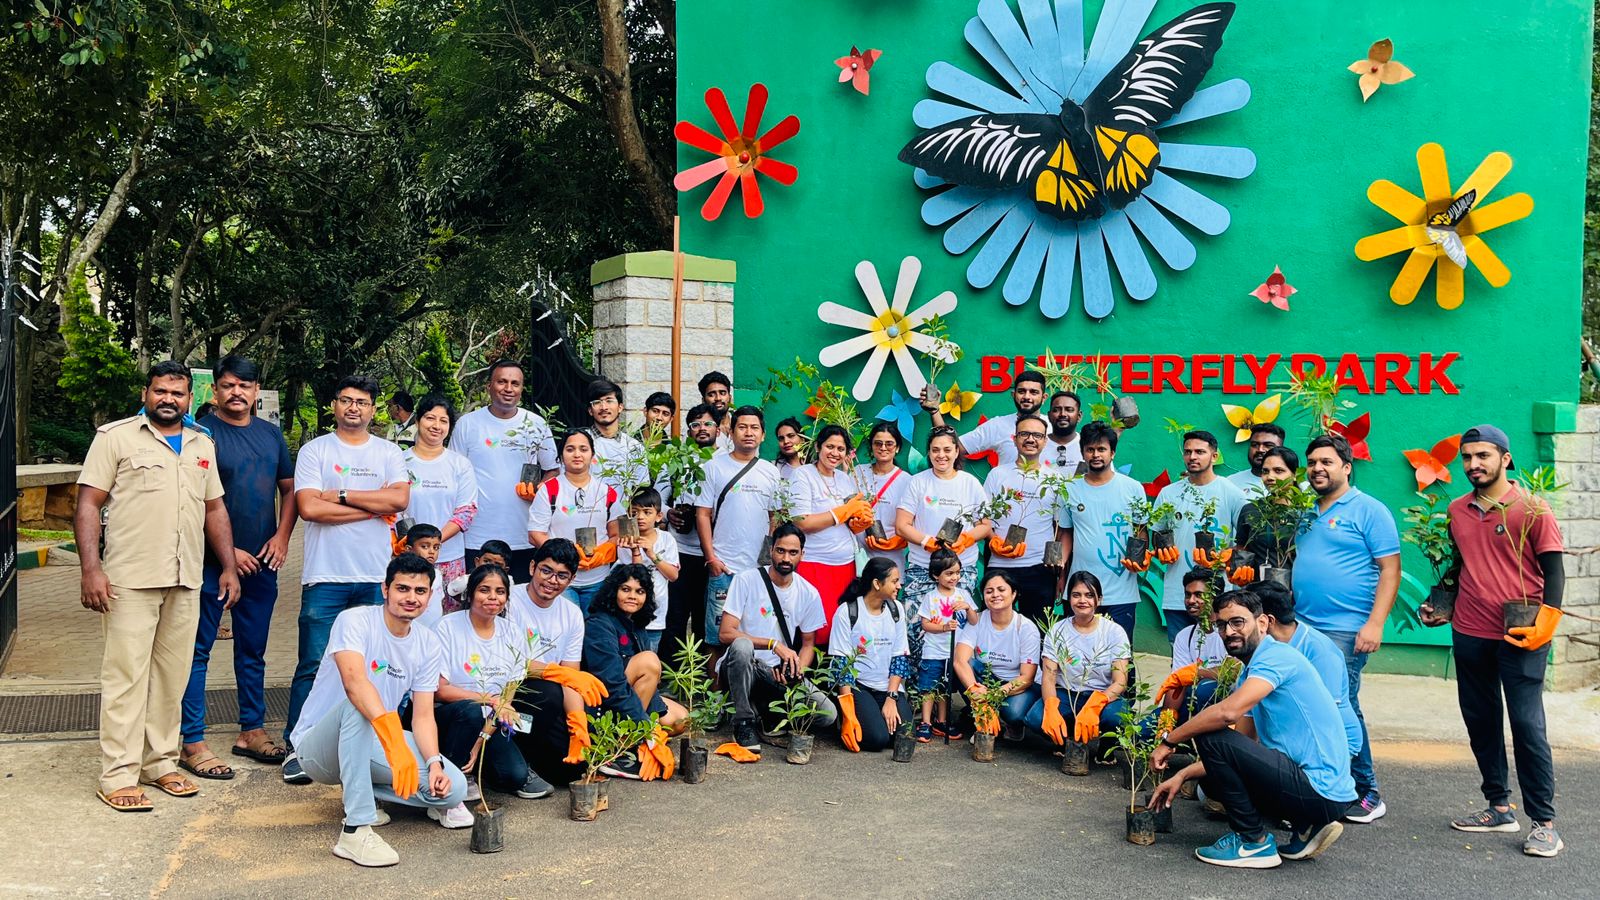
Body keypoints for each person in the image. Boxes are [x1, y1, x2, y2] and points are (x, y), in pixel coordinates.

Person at [76, 361, 240, 811]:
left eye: (177, 393)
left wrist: (228, 566)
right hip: (129, 581)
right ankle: (118, 775)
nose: (169, 399)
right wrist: (91, 569)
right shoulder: (116, 438)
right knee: (126, 678)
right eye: (160, 391)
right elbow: (88, 504)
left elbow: (214, 510)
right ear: (146, 394)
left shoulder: (202, 444)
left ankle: (160, 763)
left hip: (185, 579)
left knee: (172, 678)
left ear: (190, 398)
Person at [1426, 424, 1565, 857]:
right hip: (1470, 629)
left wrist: (1549, 618)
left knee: (1526, 724)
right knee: (1480, 719)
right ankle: (1498, 807)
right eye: (1467, 457)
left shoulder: (1532, 508)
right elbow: (1460, 565)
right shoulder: (1457, 510)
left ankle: (1544, 822)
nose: (1473, 464)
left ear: (1505, 458)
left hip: (1521, 631)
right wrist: (1442, 603)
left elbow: (1554, 570)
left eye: (1482, 456)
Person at [1149, 590, 1355, 869]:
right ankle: (1306, 826)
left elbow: (1226, 713)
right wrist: (1182, 774)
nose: (1228, 632)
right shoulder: (1251, 672)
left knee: (1210, 734)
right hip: (1318, 791)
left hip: (1320, 789)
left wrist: (1169, 740)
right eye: (1222, 625)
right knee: (1212, 775)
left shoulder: (1277, 657)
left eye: (1237, 622)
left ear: (1263, 623)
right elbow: (1241, 742)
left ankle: (1252, 842)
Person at [291, 555, 466, 867]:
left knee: (453, 790)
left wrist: (434, 764)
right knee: (359, 706)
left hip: (373, 740)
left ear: (429, 596)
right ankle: (355, 830)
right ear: (385, 589)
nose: (411, 598)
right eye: (402, 588)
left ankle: (365, 788)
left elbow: (423, 715)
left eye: (420, 591)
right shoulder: (354, 620)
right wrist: (395, 742)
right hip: (320, 748)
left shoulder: (427, 642)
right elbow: (354, 683)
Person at [284, 375, 410, 784]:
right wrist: (373, 507)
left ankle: (365, 743)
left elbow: (399, 500)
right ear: (334, 406)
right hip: (326, 575)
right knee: (314, 663)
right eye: (346, 400)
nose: (354, 407)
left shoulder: (388, 452)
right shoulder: (315, 450)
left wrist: (338, 495)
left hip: (375, 577)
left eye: (362, 402)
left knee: (371, 666)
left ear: (373, 409)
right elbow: (309, 509)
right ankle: (297, 747)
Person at [180, 355, 296, 780]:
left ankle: (251, 730)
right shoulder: (200, 435)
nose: (236, 393)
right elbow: (193, 500)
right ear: (215, 390)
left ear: (256, 391)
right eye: (228, 385)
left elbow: (289, 489)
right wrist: (229, 552)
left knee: (253, 650)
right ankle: (192, 740)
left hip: (262, 563)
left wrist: (281, 537)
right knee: (197, 652)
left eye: (244, 386)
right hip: (210, 563)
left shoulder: (270, 434)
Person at [1292, 433, 1400, 823]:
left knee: (1342, 707)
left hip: (1346, 630)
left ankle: (1367, 791)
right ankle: (1325, 783)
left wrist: (1375, 624)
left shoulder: (1369, 510)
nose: (1317, 469)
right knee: (1310, 704)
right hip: (1304, 625)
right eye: (1312, 463)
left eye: (1327, 462)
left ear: (1347, 468)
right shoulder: (1305, 511)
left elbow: (1390, 570)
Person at [427, 564, 553, 825]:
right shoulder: (447, 627)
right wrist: (489, 699)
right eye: (484, 590)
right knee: (471, 711)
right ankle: (445, 796)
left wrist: (480, 741)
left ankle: (475, 770)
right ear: (470, 593)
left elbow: (506, 699)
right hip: (452, 717)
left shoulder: (512, 632)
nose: (492, 597)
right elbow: (440, 691)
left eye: (500, 591)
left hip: (489, 722)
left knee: (514, 776)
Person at [718, 524, 838, 754]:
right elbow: (726, 633)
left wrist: (796, 670)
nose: (786, 558)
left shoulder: (808, 592)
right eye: (781, 551)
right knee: (742, 646)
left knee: (827, 715)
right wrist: (773, 645)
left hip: (776, 674)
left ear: (802, 554)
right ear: (771, 550)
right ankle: (743, 722)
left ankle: (765, 713)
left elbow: (808, 644)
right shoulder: (746, 580)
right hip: (743, 666)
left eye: (793, 552)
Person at [503, 539, 608, 784]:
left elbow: (571, 678)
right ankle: (518, 755)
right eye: (546, 571)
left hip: (552, 698)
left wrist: (576, 723)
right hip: (510, 692)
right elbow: (508, 662)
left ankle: (540, 758)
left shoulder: (571, 614)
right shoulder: (509, 601)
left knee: (572, 769)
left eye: (562, 576)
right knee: (548, 693)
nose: (552, 580)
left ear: (571, 580)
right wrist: (558, 673)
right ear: (532, 567)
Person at [453, 359, 557, 580]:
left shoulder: (536, 424)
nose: (508, 388)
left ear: (521, 389)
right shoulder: (467, 424)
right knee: (480, 594)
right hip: (477, 535)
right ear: (489, 386)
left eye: (515, 383)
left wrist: (539, 489)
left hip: (524, 534)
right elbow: (454, 475)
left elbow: (553, 471)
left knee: (521, 596)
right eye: (502, 382)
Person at [583, 565, 688, 778]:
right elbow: (612, 683)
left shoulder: (636, 624)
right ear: (613, 591)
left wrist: (652, 723)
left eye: (640, 591)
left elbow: (646, 684)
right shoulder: (599, 623)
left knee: (681, 719)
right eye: (626, 589)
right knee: (649, 661)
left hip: (627, 698)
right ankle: (619, 752)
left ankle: (637, 739)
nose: (633, 596)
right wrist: (646, 726)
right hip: (600, 704)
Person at [695, 406, 782, 654]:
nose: (748, 433)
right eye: (742, 427)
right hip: (724, 566)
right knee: (716, 636)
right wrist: (711, 558)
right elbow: (703, 514)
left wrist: (767, 559)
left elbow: (774, 517)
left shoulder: (771, 472)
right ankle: (714, 679)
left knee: (754, 630)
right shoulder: (713, 467)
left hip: (758, 569)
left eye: (754, 428)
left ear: (763, 435)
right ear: (731, 432)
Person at [1249, 580, 1365, 762]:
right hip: (1288, 740)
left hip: (1331, 744)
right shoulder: (1260, 647)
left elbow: (1324, 715)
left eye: (1244, 619)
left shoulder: (1321, 651)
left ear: (1267, 621)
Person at [1153, 430, 1246, 641]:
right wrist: (1162, 550)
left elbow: (1245, 542)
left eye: (1199, 452)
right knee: (1180, 653)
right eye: (1188, 452)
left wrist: (1229, 555)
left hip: (1217, 594)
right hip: (1178, 593)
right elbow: (1156, 534)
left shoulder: (1232, 493)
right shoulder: (1169, 493)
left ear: (1214, 456)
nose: (1192, 457)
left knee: (1219, 652)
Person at [1058, 422, 1146, 639]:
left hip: (1122, 591)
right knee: (1077, 648)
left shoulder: (1132, 488)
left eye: (1101, 449)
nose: (1095, 455)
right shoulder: (1069, 489)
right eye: (1090, 449)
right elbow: (1066, 533)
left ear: (1112, 453)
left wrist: (1138, 559)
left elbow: (1141, 530)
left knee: (1119, 651)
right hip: (1080, 591)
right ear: (1082, 453)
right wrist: (1060, 571)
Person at [1028, 572, 1131, 750]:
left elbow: (1120, 682)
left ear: (1099, 599)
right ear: (1069, 599)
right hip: (1067, 694)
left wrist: (1095, 705)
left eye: (1089, 595)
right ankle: (1066, 738)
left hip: (1102, 695)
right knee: (1036, 718)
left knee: (1115, 719)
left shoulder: (1114, 632)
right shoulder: (1057, 630)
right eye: (1076, 595)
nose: (1082, 600)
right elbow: (1049, 678)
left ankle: (1106, 748)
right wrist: (1051, 707)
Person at [790, 424, 873, 645]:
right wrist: (842, 512)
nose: (835, 453)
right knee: (815, 630)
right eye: (830, 447)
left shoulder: (845, 479)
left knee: (840, 628)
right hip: (814, 564)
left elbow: (849, 523)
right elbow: (802, 521)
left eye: (841, 449)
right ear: (818, 446)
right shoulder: (803, 475)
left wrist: (860, 522)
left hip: (845, 566)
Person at [527, 430, 624, 612]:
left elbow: (616, 533)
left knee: (595, 628)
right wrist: (566, 556)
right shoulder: (549, 490)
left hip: (599, 580)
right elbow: (535, 534)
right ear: (561, 456)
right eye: (570, 449)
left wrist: (603, 553)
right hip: (559, 581)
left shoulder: (606, 491)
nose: (577, 454)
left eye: (583, 449)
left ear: (592, 455)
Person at [896, 426, 989, 609]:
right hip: (923, 567)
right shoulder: (918, 482)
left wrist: (965, 540)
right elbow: (902, 525)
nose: (941, 455)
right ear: (929, 453)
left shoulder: (970, 483)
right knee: (917, 622)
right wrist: (926, 541)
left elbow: (985, 525)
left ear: (956, 452)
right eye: (935, 450)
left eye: (947, 450)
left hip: (960, 569)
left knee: (955, 622)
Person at [401, 395, 477, 611]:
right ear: (417, 421)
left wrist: (432, 544)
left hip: (450, 558)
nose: (436, 426)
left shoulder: (460, 464)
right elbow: (392, 510)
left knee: (449, 617)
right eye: (430, 418)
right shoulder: (399, 461)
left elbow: (466, 512)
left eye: (443, 421)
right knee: (409, 614)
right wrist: (413, 546)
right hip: (407, 555)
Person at [983, 413, 1062, 620]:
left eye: (1037, 435)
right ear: (1015, 438)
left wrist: (1057, 566)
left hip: (1040, 567)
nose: (1030, 439)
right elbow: (983, 519)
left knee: (1038, 629)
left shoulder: (1054, 479)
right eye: (1024, 434)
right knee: (995, 627)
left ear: (1045, 441)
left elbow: (1060, 526)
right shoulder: (997, 474)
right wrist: (993, 541)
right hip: (999, 566)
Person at [830, 558, 913, 753]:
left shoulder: (896, 609)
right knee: (877, 739)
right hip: (858, 686)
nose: (899, 586)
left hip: (888, 686)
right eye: (894, 581)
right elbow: (842, 664)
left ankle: (876, 716)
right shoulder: (847, 612)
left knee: (904, 735)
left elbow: (899, 657)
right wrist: (848, 714)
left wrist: (891, 698)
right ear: (877, 583)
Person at [662, 404, 721, 664]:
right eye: (696, 425)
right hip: (680, 550)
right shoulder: (677, 460)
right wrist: (668, 513)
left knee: (705, 617)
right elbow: (658, 498)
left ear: (719, 429)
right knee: (674, 615)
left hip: (714, 552)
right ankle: (671, 671)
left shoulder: (725, 462)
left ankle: (701, 672)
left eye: (708, 424)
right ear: (688, 431)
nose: (702, 429)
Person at [952, 571, 1041, 738]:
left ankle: (1012, 724)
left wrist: (993, 695)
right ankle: (981, 714)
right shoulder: (977, 620)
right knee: (964, 666)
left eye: (1001, 589)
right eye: (989, 591)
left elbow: (1027, 677)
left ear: (1013, 594)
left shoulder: (1026, 628)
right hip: (987, 679)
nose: (995, 595)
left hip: (1019, 684)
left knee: (1014, 713)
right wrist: (975, 691)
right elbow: (959, 661)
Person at [924, 369, 1047, 467]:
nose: (1027, 397)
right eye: (1021, 391)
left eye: (1033, 392)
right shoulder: (998, 425)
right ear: (1013, 395)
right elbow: (951, 447)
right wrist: (934, 411)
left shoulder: (1054, 427)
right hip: (1008, 491)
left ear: (1044, 397)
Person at [1153, 569, 1229, 721]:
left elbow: (1232, 673)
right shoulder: (1184, 636)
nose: (1191, 600)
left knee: (1205, 688)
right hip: (1189, 702)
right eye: (1187, 595)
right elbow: (1177, 683)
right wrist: (1167, 720)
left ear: (1215, 597)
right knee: (1144, 728)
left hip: (1224, 705)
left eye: (1199, 595)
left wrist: (1196, 673)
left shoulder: (1230, 631)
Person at [913, 550, 974, 741]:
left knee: (945, 689)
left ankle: (942, 721)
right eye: (949, 573)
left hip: (954, 654)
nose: (954, 577)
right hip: (933, 651)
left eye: (957, 572)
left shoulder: (963, 595)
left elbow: (974, 621)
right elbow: (925, 624)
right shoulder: (931, 597)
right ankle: (926, 722)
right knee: (928, 688)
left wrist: (968, 608)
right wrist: (944, 627)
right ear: (935, 575)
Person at [1228, 446, 1302, 584]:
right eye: (1265, 471)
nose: (1270, 477)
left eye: (1278, 471)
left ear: (1295, 474)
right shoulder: (1252, 510)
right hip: (1257, 590)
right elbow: (1242, 548)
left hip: (1296, 590)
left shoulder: (1305, 513)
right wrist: (1237, 572)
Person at [622, 487, 680, 654]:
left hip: (655, 616)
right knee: (628, 656)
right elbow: (636, 578)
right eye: (634, 512)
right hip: (630, 614)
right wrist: (635, 551)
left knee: (649, 658)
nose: (640, 517)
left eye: (647, 512)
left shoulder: (667, 539)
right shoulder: (626, 541)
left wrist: (652, 555)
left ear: (658, 516)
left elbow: (673, 575)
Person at [859, 422, 911, 567]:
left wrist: (895, 542)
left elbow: (913, 523)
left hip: (891, 557)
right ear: (871, 446)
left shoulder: (907, 481)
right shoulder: (857, 473)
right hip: (859, 555)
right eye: (878, 443)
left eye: (889, 444)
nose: (883, 448)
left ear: (897, 448)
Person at [586, 377, 648, 494]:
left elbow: (641, 489)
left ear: (620, 407)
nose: (604, 407)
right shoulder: (580, 444)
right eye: (597, 402)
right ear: (590, 410)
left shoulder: (634, 447)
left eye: (609, 401)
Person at [401, 524, 446, 629]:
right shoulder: (403, 576)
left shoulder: (437, 574)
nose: (431, 552)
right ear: (408, 549)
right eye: (425, 547)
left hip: (434, 629)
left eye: (436, 547)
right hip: (411, 628)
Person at [1228, 423, 1286, 498]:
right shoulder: (1231, 483)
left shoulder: (1294, 485)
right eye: (1254, 445)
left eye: (1268, 445)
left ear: (1282, 449)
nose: (1260, 450)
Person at [1042, 390, 1085, 472]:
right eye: (1056, 410)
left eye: (1069, 410)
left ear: (1079, 416)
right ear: (1049, 416)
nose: (1062, 414)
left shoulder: (1088, 445)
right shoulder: (1037, 445)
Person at [698, 371, 734, 449]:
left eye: (722, 393)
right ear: (703, 401)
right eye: (711, 394)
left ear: (730, 398)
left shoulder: (741, 424)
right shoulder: (697, 430)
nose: (718, 398)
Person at [773, 416, 805, 481]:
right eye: (781, 438)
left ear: (802, 439)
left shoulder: (815, 466)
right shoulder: (773, 468)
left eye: (791, 436)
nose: (786, 441)